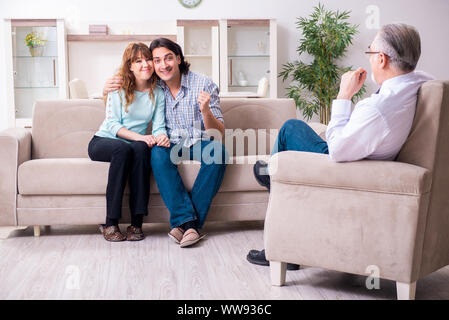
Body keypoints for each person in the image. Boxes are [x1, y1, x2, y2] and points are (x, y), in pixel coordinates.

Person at [248, 23, 434, 268]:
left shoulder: (377, 108)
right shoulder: (419, 82)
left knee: (290, 129)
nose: (368, 60)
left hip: (347, 167)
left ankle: (281, 242)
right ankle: (272, 173)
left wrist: (344, 95)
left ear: (381, 59)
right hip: (364, 154)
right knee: (307, 130)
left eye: (370, 53)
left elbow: (336, 151)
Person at [103, 38, 227, 248]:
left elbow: (218, 132)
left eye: (168, 58)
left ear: (178, 58)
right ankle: (190, 224)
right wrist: (105, 91)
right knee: (157, 155)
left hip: (199, 142)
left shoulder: (203, 83)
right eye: (157, 60)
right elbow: (122, 95)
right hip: (170, 145)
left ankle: (186, 225)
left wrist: (205, 110)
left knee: (219, 151)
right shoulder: (153, 85)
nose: (163, 65)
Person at [89, 42, 169, 242]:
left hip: (133, 144)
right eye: (138, 61)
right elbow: (113, 126)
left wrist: (161, 136)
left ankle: (136, 223)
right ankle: (110, 223)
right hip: (104, 141)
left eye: (148, 59)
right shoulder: (118, 88)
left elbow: (158, 126)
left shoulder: (158, 92)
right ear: (130, 66)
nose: (146, 64)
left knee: (142, 148)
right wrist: (142, 137)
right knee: (124, 149)